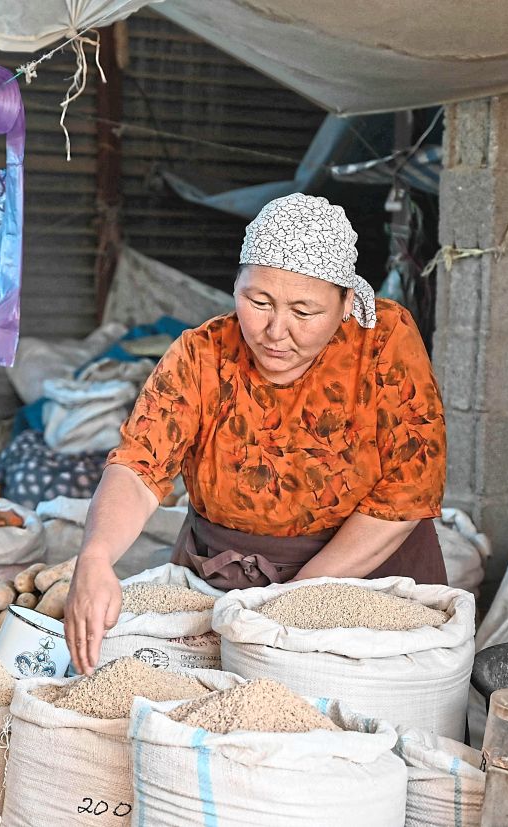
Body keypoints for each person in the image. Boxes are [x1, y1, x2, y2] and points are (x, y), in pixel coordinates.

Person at [65, 193, 447, 674]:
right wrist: (96, 556)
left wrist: (295, 600)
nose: (275, 331)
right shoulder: (202, 354)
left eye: (304, 312)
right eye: (258, 301)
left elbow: (410, 485)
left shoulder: (383, 341)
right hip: (223, 581)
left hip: (366, 577)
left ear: (347, 301)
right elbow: (140, 464)